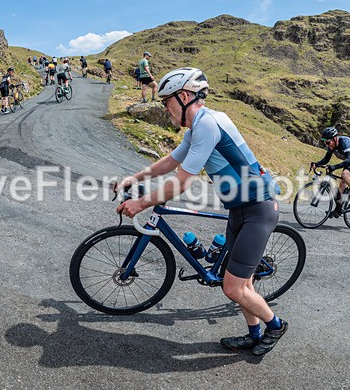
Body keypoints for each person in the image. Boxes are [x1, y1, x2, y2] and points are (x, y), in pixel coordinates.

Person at [114, 67, 288, 356]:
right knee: (243, 284)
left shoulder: (208, 124)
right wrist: (135, 178)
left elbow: (182, 181)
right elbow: (170, 163)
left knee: (233, 288)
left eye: (166, 101)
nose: (165, 108)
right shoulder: (199, 127)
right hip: (240, 209)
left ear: (183, 97)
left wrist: (141, 203)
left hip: (258, 208)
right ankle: (254, 334)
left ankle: (276, 326)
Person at [310, 127, 350, 218]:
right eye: (325, 143)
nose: (327, 145)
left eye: (328, 142)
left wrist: (334, 167)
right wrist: (316, 163)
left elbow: (349, 160)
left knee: (345, 174)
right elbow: (326, 159)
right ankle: (339, 209)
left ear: (335, 138)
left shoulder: (345, 142)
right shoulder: (332, 145)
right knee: (342, 183)